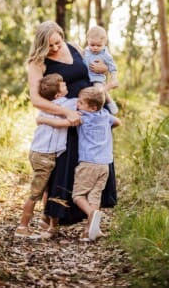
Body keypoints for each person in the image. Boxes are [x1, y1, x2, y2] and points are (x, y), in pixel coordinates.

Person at [27, 20, 117, 235]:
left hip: (92, 115)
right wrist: (66, 113)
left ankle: (91, 225)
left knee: (95, 163)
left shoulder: (77, 48)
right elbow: (36, 99)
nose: (56, 48)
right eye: (50, 46)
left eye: (58, 42)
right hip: (69, 118)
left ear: (62, 35)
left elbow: (95, 72)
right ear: (41, 45)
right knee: (65, 168)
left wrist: (104, 69)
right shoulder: (37, 62)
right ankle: (53, 221)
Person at [39, 86, 121, 242]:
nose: (78, 105)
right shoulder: (105, 115)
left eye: (81, 103)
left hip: (88, 164)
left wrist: (42, 119)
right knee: (94, 196)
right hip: (105, 165)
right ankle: (91, 230)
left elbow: (62, 124)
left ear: (92, 107)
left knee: (77, 196)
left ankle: (91, 214)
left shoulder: (82, 116)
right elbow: (118, 121)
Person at [14, 73, 77, 239]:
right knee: (36, 192)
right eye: (63, 84)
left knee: (47, 190)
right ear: (57, 95)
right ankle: (22, 226)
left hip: (39, 153)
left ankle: (45, 220)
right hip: (44, 156)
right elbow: (77, 106)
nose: (66, 85)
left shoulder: (45, 106)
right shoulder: (65, 104)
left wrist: (42, 119)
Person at [83, 25, 119, 114]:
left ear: (105, 43)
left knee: (99, 92)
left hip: (97, 79)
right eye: (92, 45)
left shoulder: (105, 54)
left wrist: (114, 78)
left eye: (99, 45)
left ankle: (107, 106)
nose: (95, 47)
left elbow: (112, 67)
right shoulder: (86, 51)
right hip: (86, 78)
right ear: (88, 41)